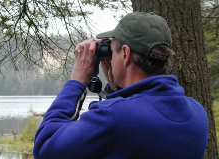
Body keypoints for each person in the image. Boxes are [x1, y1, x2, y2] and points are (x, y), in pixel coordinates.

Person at [33, 12, 208, 159]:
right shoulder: (197, 112)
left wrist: (77, 81)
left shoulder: (113, 117)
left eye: (112, 50)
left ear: (125, 53)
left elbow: (46, 147)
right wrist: (116, 89)